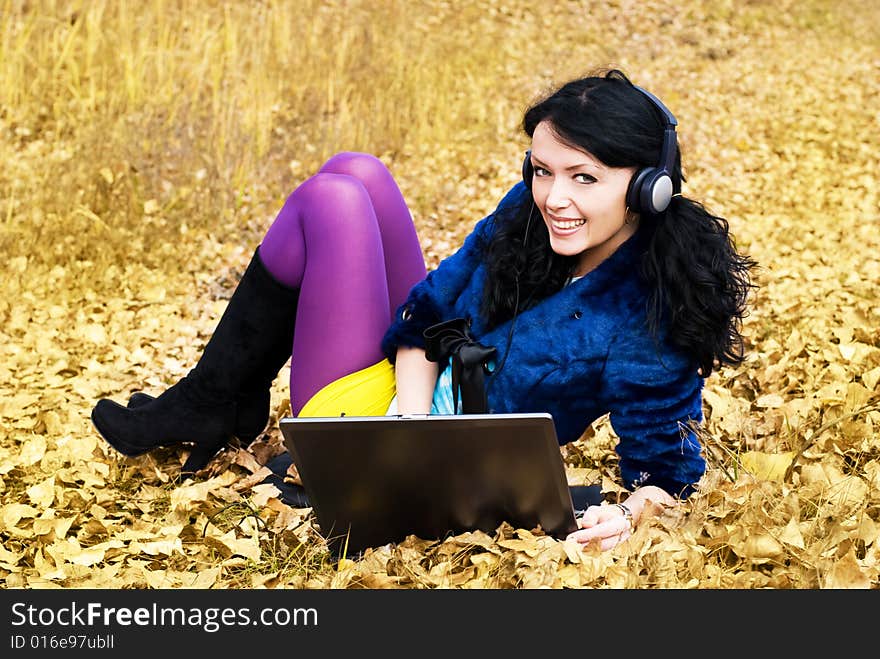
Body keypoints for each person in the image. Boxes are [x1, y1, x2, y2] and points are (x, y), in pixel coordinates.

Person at [91, 68, 756, 553]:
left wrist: (631, 514)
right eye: (542, 168)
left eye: (584, 177)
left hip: (433, 454)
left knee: (333, 205)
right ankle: (219, 396)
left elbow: (666, 475)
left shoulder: (648, 317)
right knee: (358, 170)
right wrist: (405, 423)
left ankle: (216, 397)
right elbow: (429, 311)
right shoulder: (531, 214)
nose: (554, 196)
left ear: (649, 189)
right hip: (396, 411)